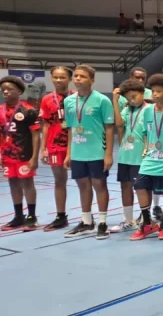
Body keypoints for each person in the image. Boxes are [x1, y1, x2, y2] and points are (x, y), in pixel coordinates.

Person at [63, 65, 115, 239]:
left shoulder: (102, 101)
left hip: (96, 152)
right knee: (82, 186)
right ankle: (86, 222)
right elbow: (70, 129)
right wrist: (69, 153)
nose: (78, 79)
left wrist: (108, 154)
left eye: (82, 76)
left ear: (92, 80)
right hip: (78, 152)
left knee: (99, 185)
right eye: (76, 76)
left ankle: (102, 222)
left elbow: (109, 128)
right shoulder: (69, 101)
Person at [131, 74, 163, 240]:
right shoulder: (147, 111)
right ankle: (147, 223)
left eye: (159, 91)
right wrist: (145, 147)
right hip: (150, 157)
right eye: (153, 91)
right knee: (139, 185)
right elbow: (145, 133)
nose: (155, 94)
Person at [0, 76, 40, 231]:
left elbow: (36, 135)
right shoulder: (1, 110)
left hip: (24, 154)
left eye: (9, 89)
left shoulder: (28, 110)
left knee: (27, 184)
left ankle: (32, 217)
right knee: (12, 183)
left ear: (18, 91)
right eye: (3, 89)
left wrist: (34, 157)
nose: (5, 92)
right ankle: (18, 216)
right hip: (7, 155)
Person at [110, 79, 148, 233]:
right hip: (125, 155)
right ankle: (128, 220)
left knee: (142, 188)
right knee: (125, 186)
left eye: (134, 96)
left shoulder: (149, 109)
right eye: (128, 98)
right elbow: (119, 124)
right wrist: (115, 101)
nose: (132, 101)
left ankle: (145, 219)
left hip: (141, 156)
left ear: (142, 93)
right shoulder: (126, 110)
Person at [38, 66, 73, 231]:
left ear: (69, 79)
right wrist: (43, 148)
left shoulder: (76, 97)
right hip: (56, 145)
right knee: (59, 180)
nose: (59, 80)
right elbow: (45, 125)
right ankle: (61, 216)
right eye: (56, 77)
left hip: (79, 144)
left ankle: (88, 217)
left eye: (63, 77)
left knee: (84, 181)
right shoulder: (46, 99)